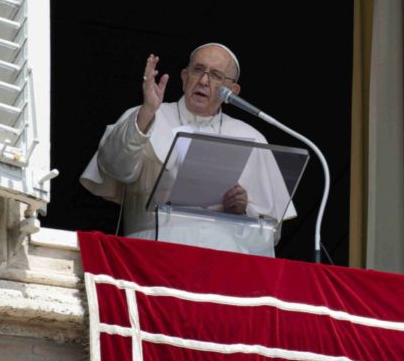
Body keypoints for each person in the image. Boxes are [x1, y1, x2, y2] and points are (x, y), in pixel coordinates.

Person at [80, 43, 295, 241]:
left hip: (221, 264)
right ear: (184, 76)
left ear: (233, 91)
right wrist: (147, 112)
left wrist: (243, 211)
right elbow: (114, 167)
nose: (204, 81)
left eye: (216, 75)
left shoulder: (252, 138)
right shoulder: (147, 116)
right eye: (198, 70)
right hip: (150, 256)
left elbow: (271, 237)